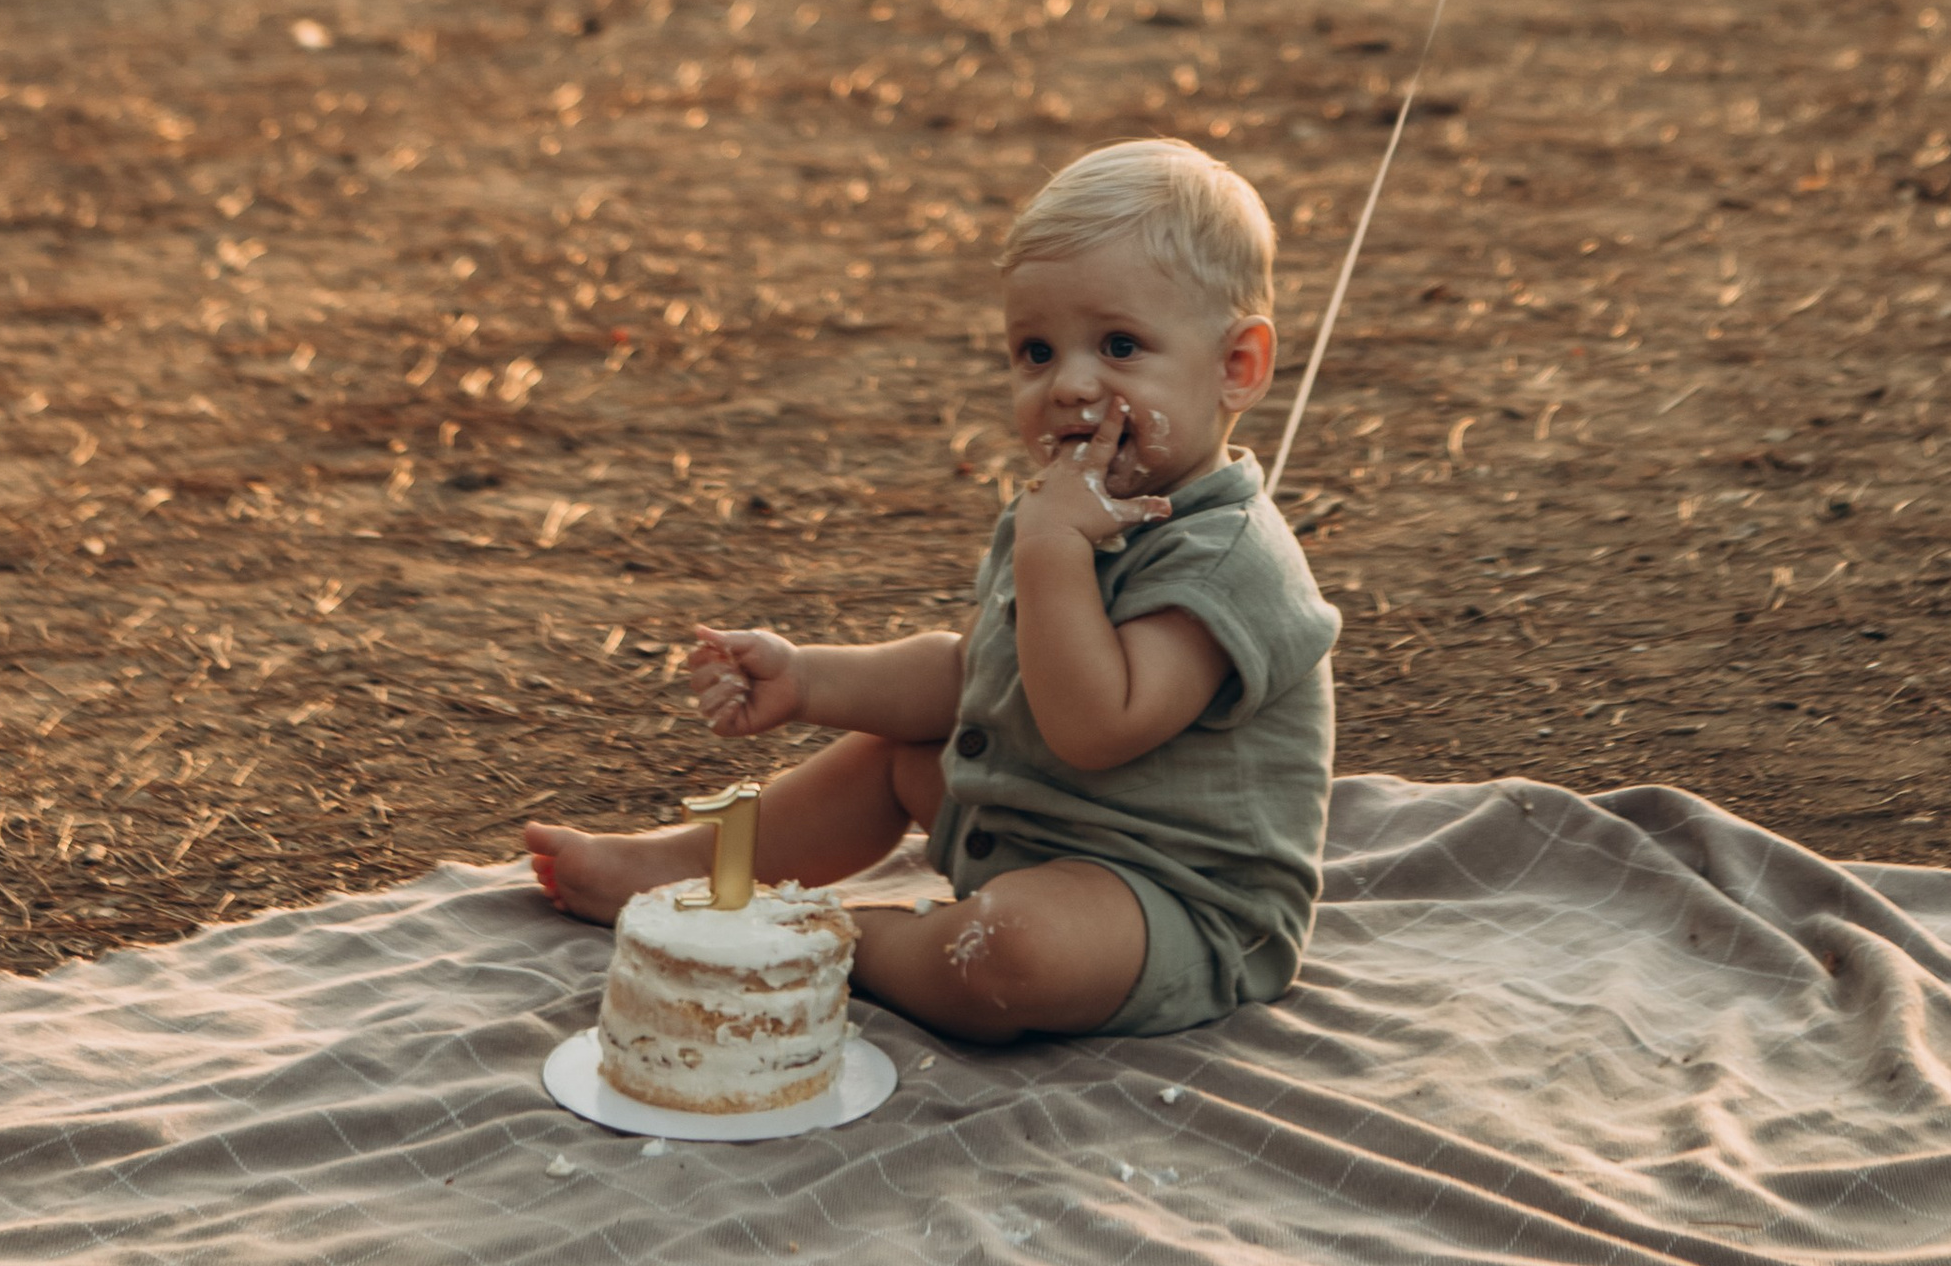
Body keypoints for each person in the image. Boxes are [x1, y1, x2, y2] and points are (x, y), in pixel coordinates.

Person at [522, 138, 1341, 1044]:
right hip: (1037, 831)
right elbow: (978, 676)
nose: (1070, 383)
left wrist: (1053, 548)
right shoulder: (1061, 518)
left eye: (1119, 345)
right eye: (1036, 351)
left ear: (1237, 366)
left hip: (1176, 906)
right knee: (891, 755)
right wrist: (811, 680)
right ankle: (687, 867)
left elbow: (1095, 726)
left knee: (1007, 955)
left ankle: (810, 939)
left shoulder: (1224, 555)